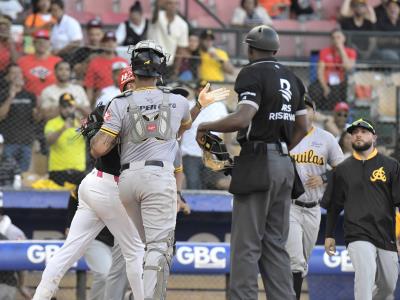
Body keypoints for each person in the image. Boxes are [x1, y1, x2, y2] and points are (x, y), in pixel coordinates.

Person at [195, 25, 308, 300]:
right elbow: (303, 126)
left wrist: (205, 125)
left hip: (259, 162)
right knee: (275, 245)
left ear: (250, 48)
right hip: (284, 165)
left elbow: (243, 118)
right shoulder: (294, 77)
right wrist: (280, 149)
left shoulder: (252, 72)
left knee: (246, 246)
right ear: (276, 49)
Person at [89, 39, 192, 300]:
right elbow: (184, 127)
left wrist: (98, 131)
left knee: (134, 248)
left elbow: (98, 149)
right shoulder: (177, 101)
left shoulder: (119, 102)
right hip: (158, 177)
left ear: (133, 69)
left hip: (127, 180)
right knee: (159, 248)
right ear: (161, 69)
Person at [323, 118, 400, 300]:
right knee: (365, 277)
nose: (358, 135)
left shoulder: (391, 166)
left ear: (374, 137)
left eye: (363, 132)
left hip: (386, 234)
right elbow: (334, 206)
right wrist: (329, 235)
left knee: (388, 286)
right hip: (357, 233)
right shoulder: (341, 170)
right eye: (354, 132)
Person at [286, 96, 344, 300]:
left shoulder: (326, 138)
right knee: (296, 261)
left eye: (308, 108)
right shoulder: (285, 136)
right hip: (289, 206)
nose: (303, 111)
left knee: (303, 263)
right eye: (299, 108)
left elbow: (342, 169)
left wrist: (324, 177)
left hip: (313, 208)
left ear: (314, 112)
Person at [181, 80, 229, 189]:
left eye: (206, 89)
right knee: (193, 184)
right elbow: (182, 129)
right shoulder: (188, 105)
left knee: (216, 184)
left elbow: (226, 131)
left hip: (213, 154)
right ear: (195, 91)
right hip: (191, 154)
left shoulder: (219, 106)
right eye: (200, 89)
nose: (203, 92)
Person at [0, 64, 38, 172]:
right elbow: (1, 115)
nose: (17, 75)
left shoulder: (30, 95)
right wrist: (11, 96)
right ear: (7, 77)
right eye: (13, 73)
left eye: (19, 73)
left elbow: (36, 118)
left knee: (24, 174)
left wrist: (38, 111)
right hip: (8, 142)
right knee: (7, 172)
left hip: (26, 141)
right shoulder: (3, 94)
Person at [44, 93, 86, 186]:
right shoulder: (52, 123)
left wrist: (80, 109)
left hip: (78, 171)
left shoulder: (81, 123)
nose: (67, 110)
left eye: (70, 106)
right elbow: (49, 141)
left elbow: (96, 126)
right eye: (64, 107)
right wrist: (62, 129)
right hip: (57, 171)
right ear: (59, 108)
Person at [309, 29, 356, 111]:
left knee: (335, 93)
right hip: (325, 80)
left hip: (341, 82)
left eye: (338, 37)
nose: (336, 40)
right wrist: (325, 87)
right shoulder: (325, 51)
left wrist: (341, 49)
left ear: (344, 38)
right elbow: (320, 71)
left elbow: (348, 67)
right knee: (314, 90)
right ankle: (315, 112)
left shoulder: (350, 52)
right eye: (333, 38)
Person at [84, 31, 128, 105]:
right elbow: (90, 87)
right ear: (102, 44)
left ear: (116, 44)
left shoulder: (123, 62)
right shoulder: (94, 62)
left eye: (113, 41)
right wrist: (89, 105)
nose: (110, 44)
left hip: (121, 95)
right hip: (102, 97)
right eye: (107, 41)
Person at [148, 0, 189, 77]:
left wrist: (176, 70)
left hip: (168, 65)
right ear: (165, 5)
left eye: (176, 3)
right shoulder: (157, 16)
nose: (173, 6)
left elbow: (180, 50)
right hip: (150, 61)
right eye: (170, 3)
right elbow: (154, 18)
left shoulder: (183, 25)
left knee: (165, 88)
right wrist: (157, 4)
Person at [17, 29, 61, 97]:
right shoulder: (22, 61)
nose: (42, 43)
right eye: (39, 41)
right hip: (29, 99)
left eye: (45, 41)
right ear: (33, 43)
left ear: (50, 43)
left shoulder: (58, 61)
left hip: (52, 98)